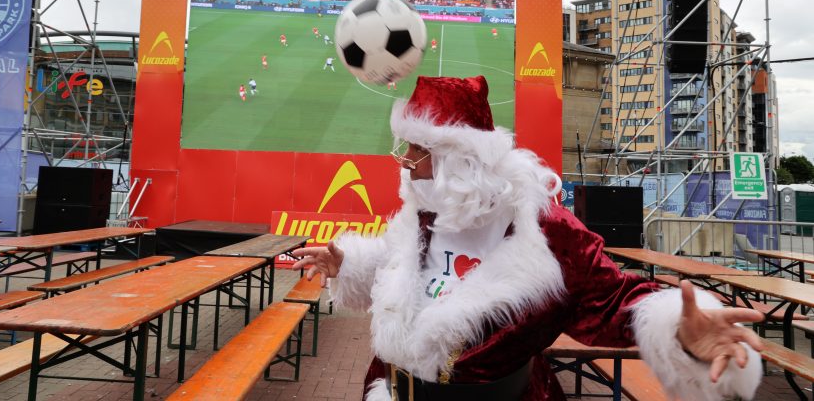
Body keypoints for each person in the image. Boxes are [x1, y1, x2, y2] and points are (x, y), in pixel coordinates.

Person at [293, 75, 763, 401]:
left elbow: (615, 299)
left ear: (459, 159)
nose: (405, 161)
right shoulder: (422, 216)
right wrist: (349, 264)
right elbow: (406, 271)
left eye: (417, 149)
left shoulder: (544, 233)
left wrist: (679, 330)